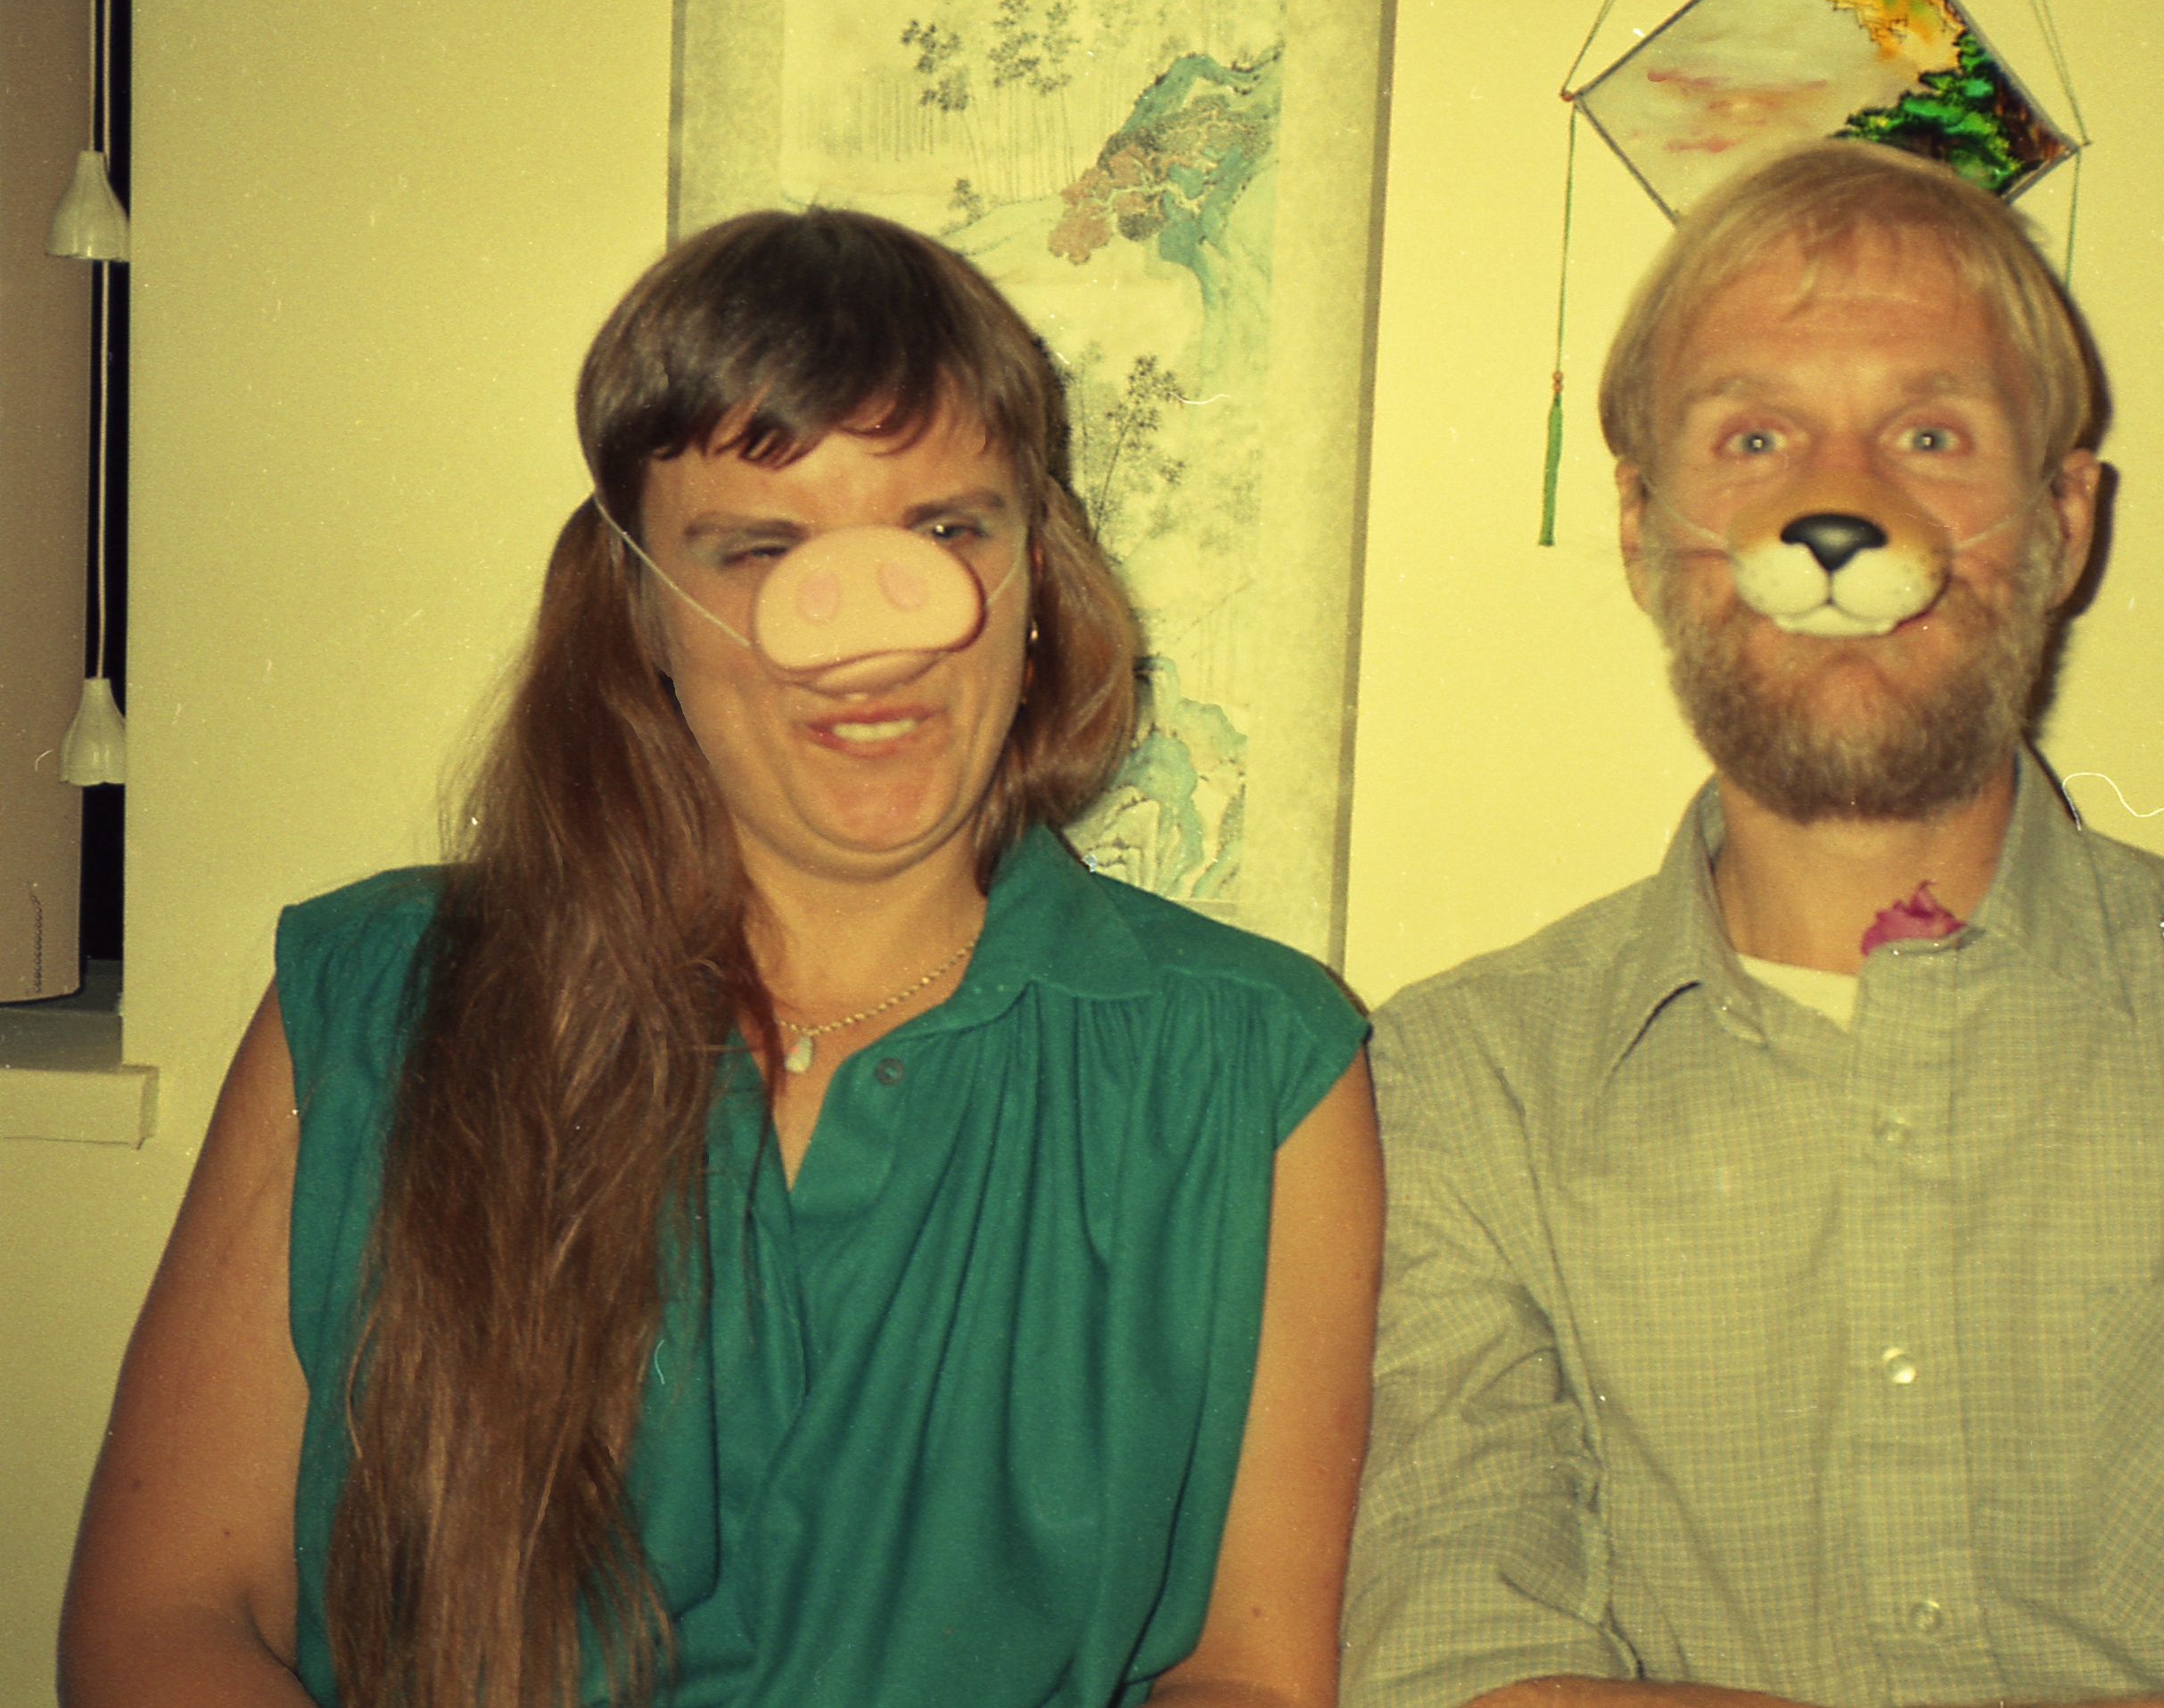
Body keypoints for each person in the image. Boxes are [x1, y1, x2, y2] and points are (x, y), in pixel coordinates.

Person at [1343, 143, 2164, 1707]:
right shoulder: (1458, 1087)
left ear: (2066, 521)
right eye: (1755, 437)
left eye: (1929, 435)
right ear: (1638, 526)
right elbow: (1460, 1673)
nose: (1839, 512)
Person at [62, 209, 1382, 1708]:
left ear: (1036, 577)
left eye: (946, 532)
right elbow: (162, 1625)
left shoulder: (1256, 1067)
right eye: (763, 549)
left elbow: (1247, 1676)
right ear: (640, 604)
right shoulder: (375, 1002)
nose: (868, 640)